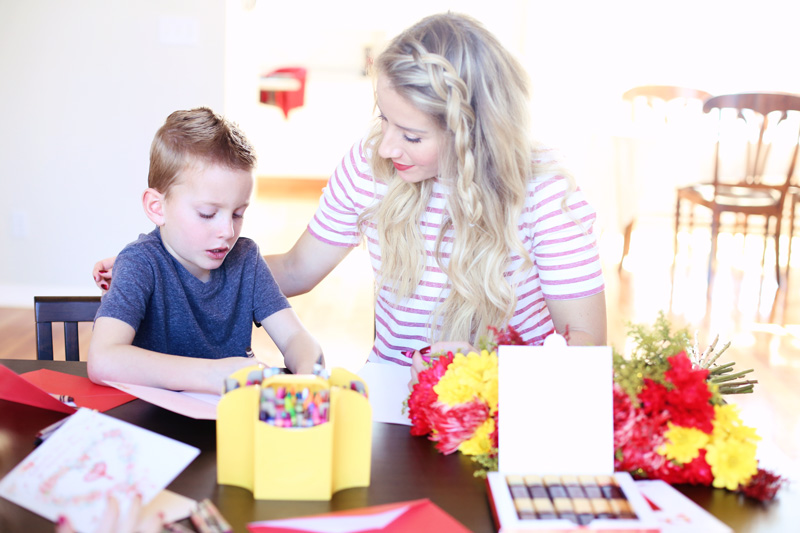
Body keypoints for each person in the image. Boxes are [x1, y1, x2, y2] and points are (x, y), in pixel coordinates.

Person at [93, 13, 605, 381]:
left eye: (411, 135)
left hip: (510, 400)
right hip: (391, 387)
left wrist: (481, 367)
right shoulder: (371, 167)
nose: (384, 146)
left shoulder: (546, 195)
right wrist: (167, 268)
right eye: (385, 118)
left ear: (472, 132)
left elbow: (586, 347)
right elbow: (295, 270)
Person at [88, 108, 323, 394]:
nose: (227, 231)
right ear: (157, 207)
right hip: (152, 423)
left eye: (238, 213)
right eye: (208, 214)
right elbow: (102, 359)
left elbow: (295, 337)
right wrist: (212, 375)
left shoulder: (246, 260)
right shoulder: (139, 263)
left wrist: (309, 368)